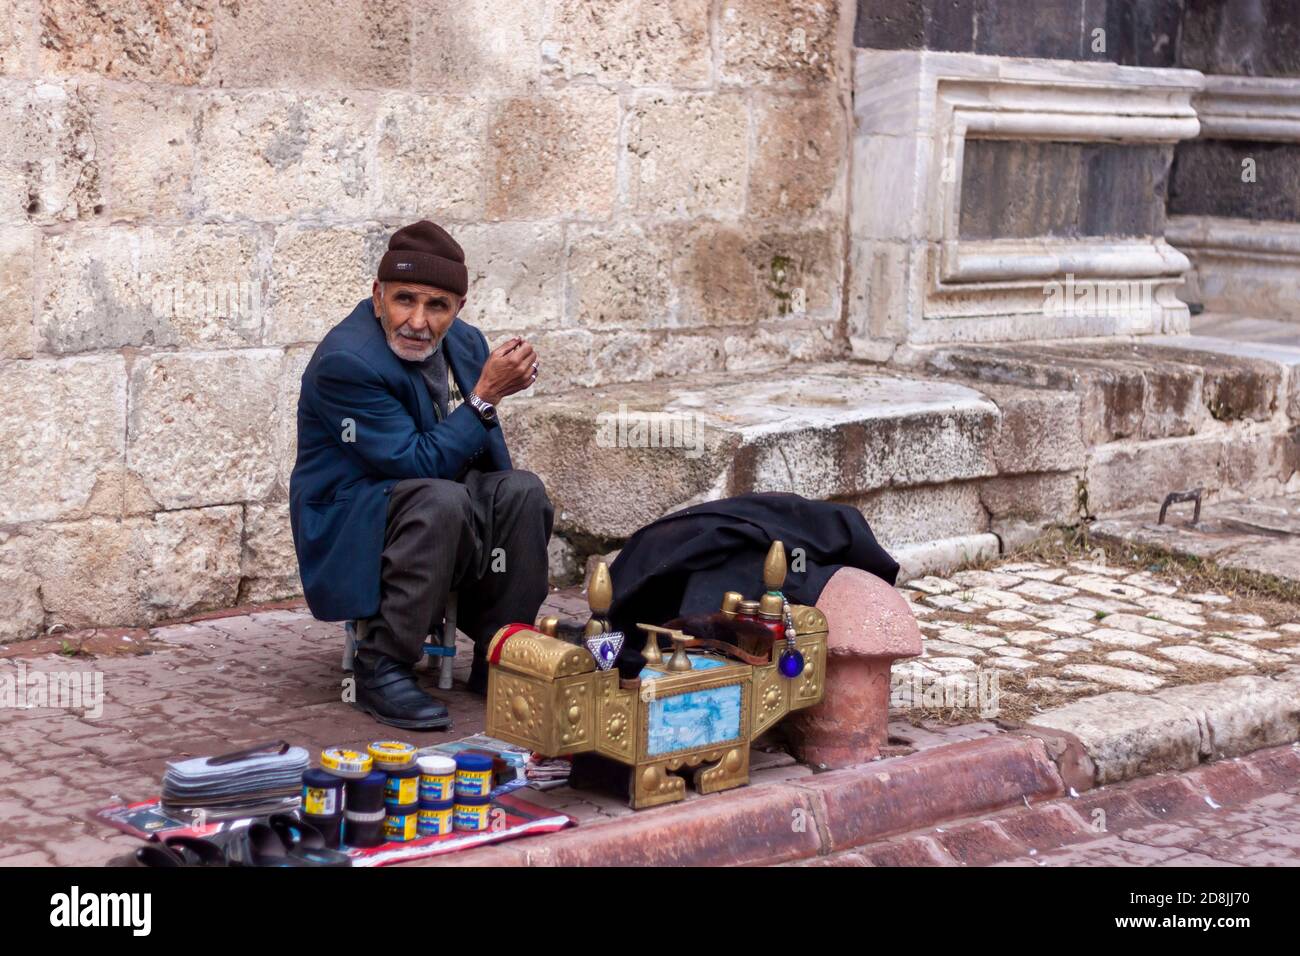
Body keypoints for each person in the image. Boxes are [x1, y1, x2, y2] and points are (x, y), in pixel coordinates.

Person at [289, 220, 554, 730]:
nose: (417, 320)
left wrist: (500, 524)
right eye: (403, 300)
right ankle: (381, 665)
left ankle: (499, 653)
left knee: (522, 491)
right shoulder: (347, 361)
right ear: (377, 296)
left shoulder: (468, 343)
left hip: (430, 499)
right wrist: (485, 397)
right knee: (440, 500)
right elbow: (415, 463)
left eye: (437, 306)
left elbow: (487, 453)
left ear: (459, 309)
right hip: (353, 517)